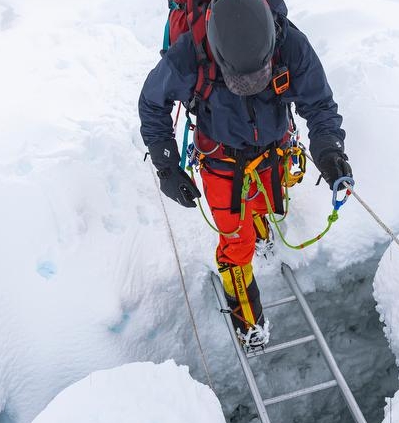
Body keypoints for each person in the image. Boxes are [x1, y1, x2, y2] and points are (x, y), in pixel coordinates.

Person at [139, 0, 352, 349]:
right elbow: (152, 103)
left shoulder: (290, 43)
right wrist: (167, 166)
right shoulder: (190, 55)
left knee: (265, 198)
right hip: (221, 157)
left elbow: (318, 102)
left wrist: (329, 150)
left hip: (273, 147)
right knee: (235, 244)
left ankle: (257, 228)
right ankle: (249, 323)